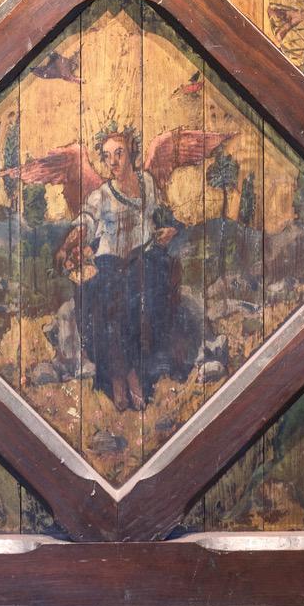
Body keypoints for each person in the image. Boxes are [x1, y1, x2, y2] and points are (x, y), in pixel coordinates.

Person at [57, 127, 180, 414]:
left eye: (119, 153)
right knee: (109, 304)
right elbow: (85, 224)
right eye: (107, 156)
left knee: (143, 299)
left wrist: (168, 231)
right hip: (109, 262)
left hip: (143, 258)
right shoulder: (101, 195)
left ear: (132, 153)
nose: (113, 161)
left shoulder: (147, 183)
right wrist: (69, 245)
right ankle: (120, 377)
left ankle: (134, 371)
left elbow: (159, 216)